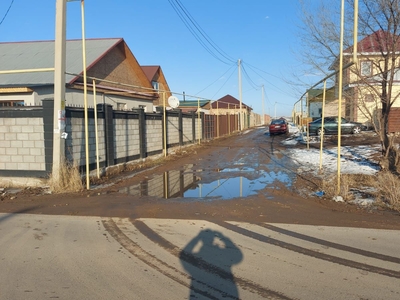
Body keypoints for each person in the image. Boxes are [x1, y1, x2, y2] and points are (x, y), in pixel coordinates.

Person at [180, 229, 243, 299]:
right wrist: (223, 237)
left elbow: (184, 254)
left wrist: (197, 238)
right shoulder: (224, 256)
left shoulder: (197, 260)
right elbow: (238, 256)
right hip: (226, 290)